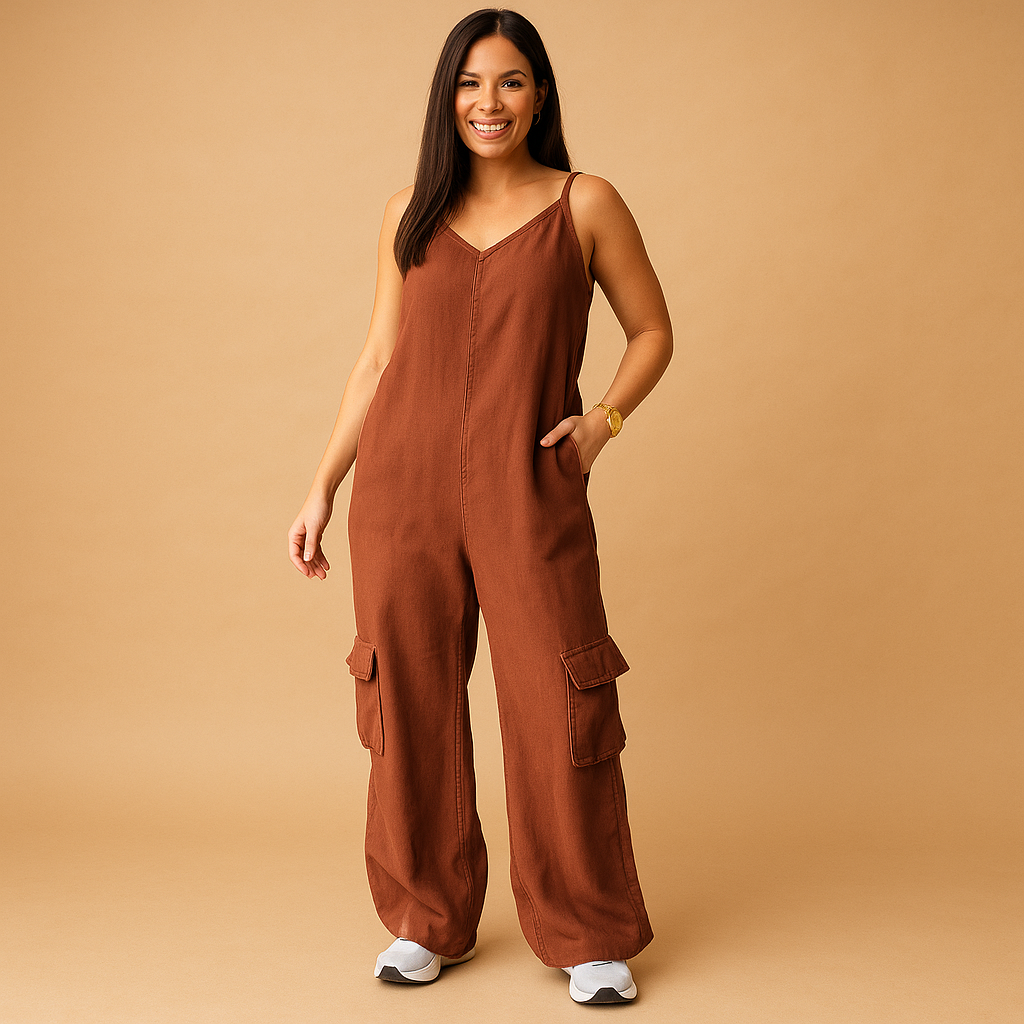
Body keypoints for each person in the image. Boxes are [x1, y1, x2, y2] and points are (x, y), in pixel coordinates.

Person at [288, 7, 673, 1006]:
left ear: (539, 94)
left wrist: (602, 424)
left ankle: (588, 931)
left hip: (527, 492)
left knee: (559, 700)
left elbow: (652, 330)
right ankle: (425, 917)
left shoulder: (585, 203)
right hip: (400, 493)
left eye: (508, 81)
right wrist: (323, 484)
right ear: (446, 98)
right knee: (406, 703)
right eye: (468, 83)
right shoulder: (408, 211)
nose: (487, 102)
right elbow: (377, 358)